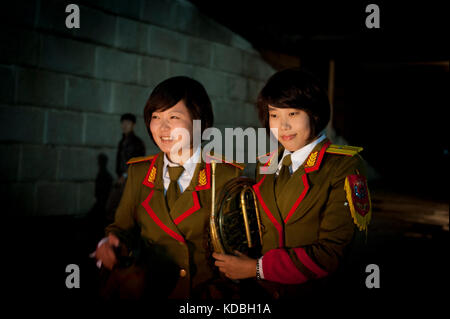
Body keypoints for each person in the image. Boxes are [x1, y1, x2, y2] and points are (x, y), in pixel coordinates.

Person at [212, 68, 372, 298]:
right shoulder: (266, 164)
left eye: (293, 114)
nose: (282, 126)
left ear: (315, 114)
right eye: (274, 115)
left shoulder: (343, 165)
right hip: (264, 293)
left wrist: (255, 268)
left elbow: (331, 254)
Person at [94, 76, 243, 299]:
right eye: (156, 117)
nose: (162, 127)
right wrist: (111, 244)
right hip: (148, 291)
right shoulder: (139, 172)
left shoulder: (225, 175)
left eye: (174, 116)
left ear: (199, 122)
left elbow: (240, 251)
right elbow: (122, 228)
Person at [105, 113, 146, 222]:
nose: (125, 125)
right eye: (123, 123)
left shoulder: (137, 143)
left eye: (128, 123)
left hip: (129, 180)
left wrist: (124, 176)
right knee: (114, 208)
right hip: (122, 178)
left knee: (115, 207)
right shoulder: (122, 141)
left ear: (133, 125)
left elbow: (137, 163)